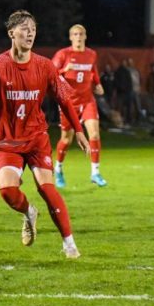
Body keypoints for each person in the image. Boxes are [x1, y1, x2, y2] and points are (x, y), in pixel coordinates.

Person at [0, 10, 89, 258]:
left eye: (33, 29)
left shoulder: (45, 66)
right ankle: (29, 212)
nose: (30, 33)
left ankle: (69, 243)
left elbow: (65, 100)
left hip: (36, 138)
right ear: (11, 33)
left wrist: (78, 130)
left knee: (47, 189)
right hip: (6, 141)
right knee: (7, 191)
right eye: (24, 28)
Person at [51, 23, 107, 188]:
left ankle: (95, 172)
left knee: (95, 135)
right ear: (70, 37)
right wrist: (63, 70)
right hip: (68, 102)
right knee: (66, 139)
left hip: (87, 100)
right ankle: (59, 168)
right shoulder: (63, 54)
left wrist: (97, 84)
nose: (78, 37)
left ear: (85, 36)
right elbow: (50, 74)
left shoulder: (91, 54)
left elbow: (93, 71)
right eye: (75, 34)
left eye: (81, 34)